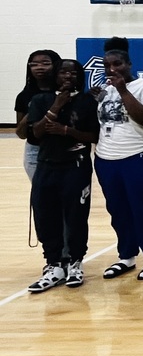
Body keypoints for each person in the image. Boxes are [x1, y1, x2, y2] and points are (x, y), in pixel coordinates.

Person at [94, 37, 143, 281]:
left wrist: (123, 90)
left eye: (117, 64)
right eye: (107, 65)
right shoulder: (105, 91)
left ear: (129, 64)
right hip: (106, 158)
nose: (112, 69)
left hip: (140, 154)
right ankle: (126, 256)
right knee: (117, 209)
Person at [25, 60, 99, 292]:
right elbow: (35, 134)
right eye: (63, 72)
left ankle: (75, 262)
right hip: (46, 166)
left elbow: (94, 136)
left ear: (80, 77)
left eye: (73, 73)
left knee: (76, 215)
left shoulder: (87, 101)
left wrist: (66, 131)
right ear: (55, 75)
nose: (68, 76)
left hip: (76, 166)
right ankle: (53, 265)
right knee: (45, 215)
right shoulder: (41, 100)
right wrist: (55, 107)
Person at [15, 49, 61, 181]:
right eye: (34, 64)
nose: (39, 67)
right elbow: (21, 134)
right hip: (35, 150)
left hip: (62, 148)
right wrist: (34, 111)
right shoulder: (24, 96)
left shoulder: (65, 93)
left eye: (45, 63)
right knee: (41, 190)